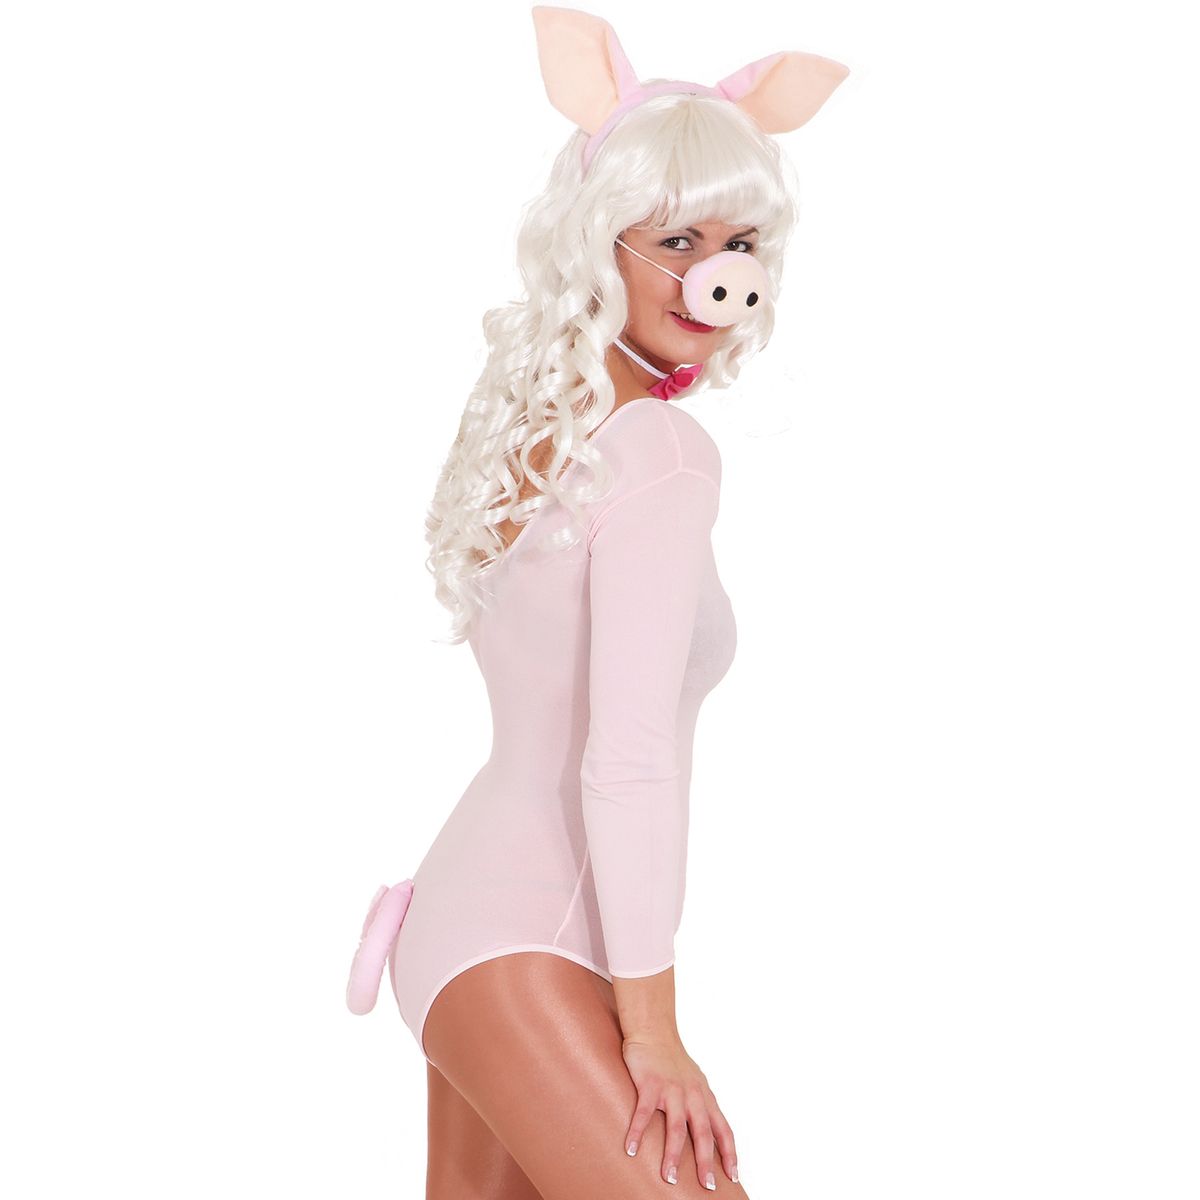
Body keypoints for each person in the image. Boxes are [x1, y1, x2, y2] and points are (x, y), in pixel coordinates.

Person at [346, 7, 848, 1196]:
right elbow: (624, 761)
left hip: (472, 925)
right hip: (535, 943)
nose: (718, 274)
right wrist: (655, 1034)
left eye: (740, 240)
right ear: (596, 243)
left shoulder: (552, 433)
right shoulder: (660, 454)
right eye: (678, 239)